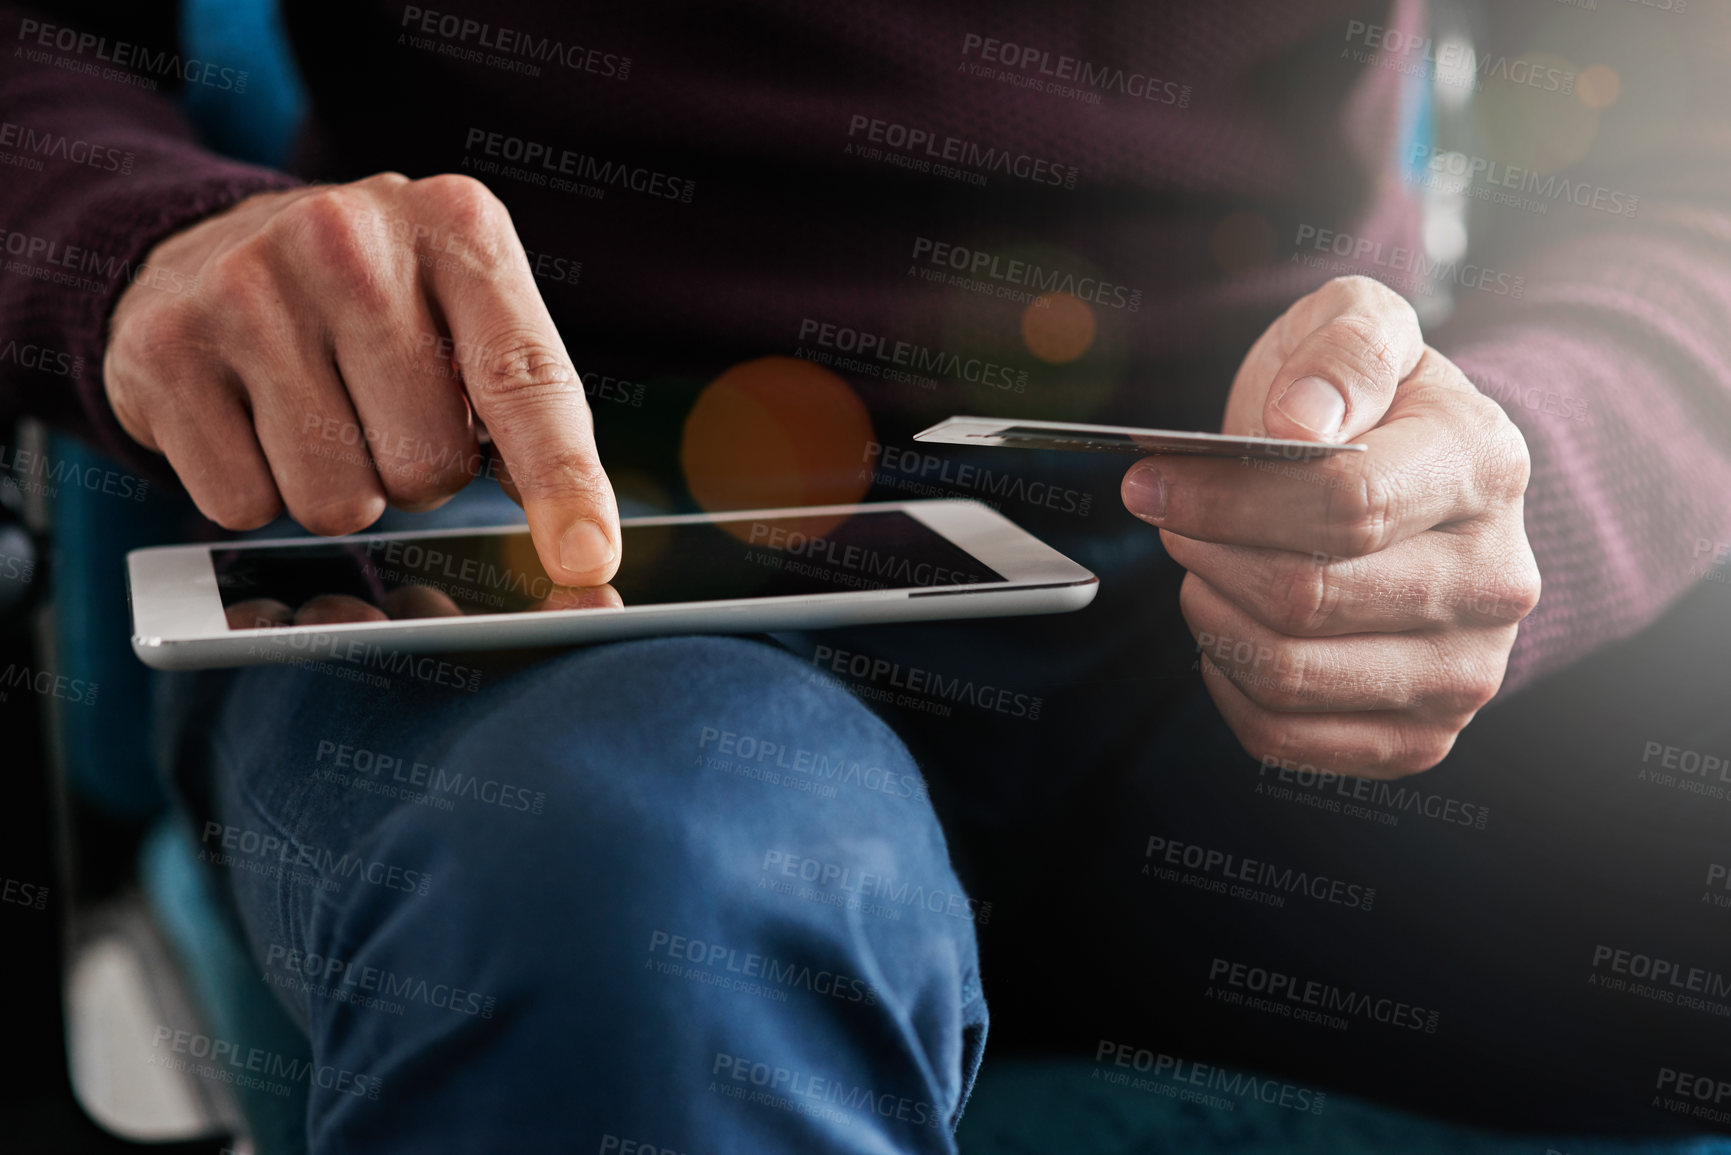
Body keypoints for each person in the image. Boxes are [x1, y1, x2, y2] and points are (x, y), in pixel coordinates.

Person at [3, 1, 1729, 1150]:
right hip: (528, 530)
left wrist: (1532, 467)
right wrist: (137, 241)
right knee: (638, 891)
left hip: (1257, 526)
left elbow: (1689, 150)